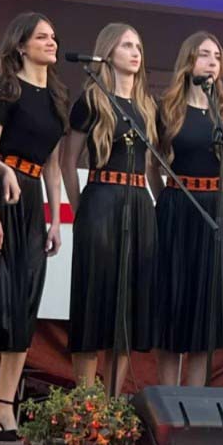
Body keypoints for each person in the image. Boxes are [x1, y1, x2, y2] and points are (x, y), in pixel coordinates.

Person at [0, 12, 67, 440]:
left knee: (24, 305)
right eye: (42, 36)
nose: (52, 42)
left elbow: (53, 166)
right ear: (21, 45)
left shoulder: (56, 96)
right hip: (3, 194)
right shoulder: (5, 90)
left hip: (33, 197)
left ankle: (6, 405)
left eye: (53, 36)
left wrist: (56, 220)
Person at [60, 23, 158, 391]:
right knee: (93, 300)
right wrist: (80, 209)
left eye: (138, 46)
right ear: (108, 52)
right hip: (101, 200)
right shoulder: (91, 100)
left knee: (127, 307)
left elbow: (151, 164)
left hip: (138, 202)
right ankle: (86, 399)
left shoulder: (147, 106)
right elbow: (68, 161)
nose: (135, 53)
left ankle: (114, 400)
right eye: (126, 45)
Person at [149, 31, 223, 386]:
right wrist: (168, 201)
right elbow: (152, 166)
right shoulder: (167, 109)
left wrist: (217, 202)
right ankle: (167, 398)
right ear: (188, 60)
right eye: (204, 54)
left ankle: (195, 397)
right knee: (173, 303)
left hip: (212, 211)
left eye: (217, 56)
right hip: (176, 209)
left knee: (205, 309)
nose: (212, 62)